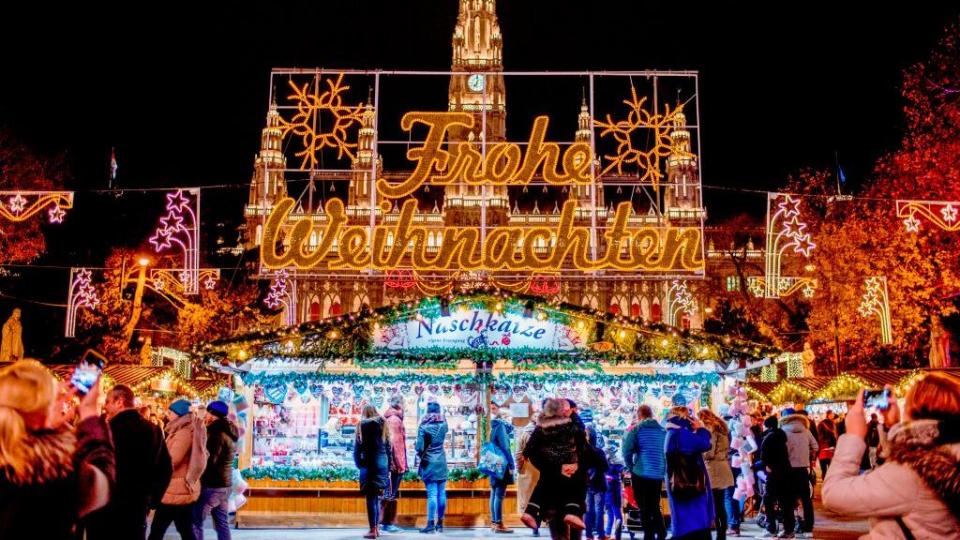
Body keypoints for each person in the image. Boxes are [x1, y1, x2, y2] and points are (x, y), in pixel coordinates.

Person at [822, 374, 960, 538]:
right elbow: (915, 451)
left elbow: (834, 494)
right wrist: (893, 426)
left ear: (912, 409)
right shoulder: (945, 455)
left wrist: (853, 435)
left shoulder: (911, 473)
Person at [0, 360, 114, 539]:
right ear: (42, 412)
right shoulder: (53, 472)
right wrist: (89, 411)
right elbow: (103, 479)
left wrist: (43, 427)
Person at [87, 384, 172, 540]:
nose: (105, 406)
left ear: (120, 402)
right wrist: (151, 501)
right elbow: (165, 470)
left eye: (108, 402)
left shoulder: (106, 431)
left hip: (105, 510)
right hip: (136, 508)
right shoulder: (153, 430)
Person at [521, 397, 590, 532]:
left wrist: (550, 468)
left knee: (544, 484)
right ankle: (572, 512)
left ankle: (531, 511)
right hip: (567, 473)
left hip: (549, 479)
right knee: (575, 484)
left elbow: (528, 451)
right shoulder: (571, 425)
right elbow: (584, 448)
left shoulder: (540, 426)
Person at [149, 399, 208, 540]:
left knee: (158, 529)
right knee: (184, 529)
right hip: (179, 489)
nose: (167, 414)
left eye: (170, 412)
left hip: (175, 489)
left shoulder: (184, 433)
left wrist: (155, 462)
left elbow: (172, 460)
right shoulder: (182, 429)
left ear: (179, 414)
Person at [664, 405, 713, 540]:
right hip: (689, 484)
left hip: (680, 483)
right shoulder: (681, 434)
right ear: (685, 417)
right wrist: (701, 428)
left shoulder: (672, 433)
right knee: (693, 521)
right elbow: (705, 444)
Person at [193, 400, 238, 540]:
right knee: (221, 522)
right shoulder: (229, 430)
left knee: (195, 521)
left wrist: (196, 476)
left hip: (213, 484)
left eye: (207, 412)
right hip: (225, 484)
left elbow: (209, 460)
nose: (205, 415)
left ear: (213, 414)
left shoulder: (216, 432)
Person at [621, 404, 667, 540]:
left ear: (639, 415)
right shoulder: (662, 430)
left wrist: (631, 466)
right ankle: (662, 532)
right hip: (658, 473)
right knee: (654, 504)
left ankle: (649, 535)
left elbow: (626, 450)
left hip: (641, 472)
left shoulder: (637, 429)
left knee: (644, 506)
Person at [779, 408, 818, 538]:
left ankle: (789, 529)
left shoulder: (782, 432)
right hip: (802, 470)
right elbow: (815, 446)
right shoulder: (806, 431)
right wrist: (808, 455)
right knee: (806, 500)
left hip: (787, 470)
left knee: (787, 501)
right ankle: (808, 529)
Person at [356, 404, 390, 539]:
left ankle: (373, 530)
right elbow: (389, 448)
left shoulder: (362, 426)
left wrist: (360, 465)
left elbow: (357, 449)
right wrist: (388, 466)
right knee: (376, 497)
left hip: (369, 464)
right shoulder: (384, 425)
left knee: (371, 498)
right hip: (382, 464)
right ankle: (376, 529)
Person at [699, 408, 734, 540]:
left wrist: (700, 453)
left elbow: (709, 452)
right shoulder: (722, 428)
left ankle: (719, 535)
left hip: (713, 469)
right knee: (720, 504)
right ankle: (722, 534)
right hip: (723, 466)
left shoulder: (711, 429)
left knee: (715, 505)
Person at [758, 415, 794, 539]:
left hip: (773, 473)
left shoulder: (768, 437)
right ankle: (788, 530)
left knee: (768, 500)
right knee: (785, 501)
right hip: (785, 471)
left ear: (766, 425)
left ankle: (771, 528)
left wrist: (766, 465)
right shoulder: (782, 436)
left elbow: (764, 456)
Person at [416, 401, 448, 534]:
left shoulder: (423, 427)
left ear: (427, 411)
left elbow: (419, 447)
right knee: (442, 493)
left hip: (429, 462)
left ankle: (430, 524)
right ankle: (440, 523)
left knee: (432, 494)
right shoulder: (444, 424)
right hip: (441, 461)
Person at [381, 395, 407, 533]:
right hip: (394, 465)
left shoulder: (390, 418)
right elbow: (394, 444)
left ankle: (385, 522)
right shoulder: (395, 420)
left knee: (388, 493)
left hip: (391, 463)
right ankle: (387, 523)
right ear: (400, 405)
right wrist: (399, 464)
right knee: (390, 494)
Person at [490, 402, 515, 533]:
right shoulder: (501, 426)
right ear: (505, 417)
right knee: (499, 494)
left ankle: (494, 523)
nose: (511, 420)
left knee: (494, 493)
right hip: (501, 463)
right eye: (510, 417)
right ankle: (498, 524)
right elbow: (505, 447)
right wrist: (511, 464)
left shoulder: (494, 426)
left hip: (493, 461)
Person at [516, 413, 541, 536]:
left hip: (529, 469)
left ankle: (535, 525)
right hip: (540, 469)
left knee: (529, 498)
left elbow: (519, 452)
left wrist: (519, 468)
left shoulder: (524, 432)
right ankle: (536, 525)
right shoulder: (546, 432)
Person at [584, 425, 609, 540]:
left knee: (588, 510)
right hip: (599, 483)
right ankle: (601, 534)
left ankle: (589, 534)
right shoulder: (599, 451)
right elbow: (605, 467)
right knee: (599, 510)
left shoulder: (582, 452)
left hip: (587, 484)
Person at [602, 440, 624, 540]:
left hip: (609, 488)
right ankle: (613, 534)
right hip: (616, 488)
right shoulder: (619, 464)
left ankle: (609, 533)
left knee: (612, 512)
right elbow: (622, 473)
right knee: (615, 513)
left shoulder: (606, 465)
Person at [817, 412, 838, 479]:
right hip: (826, 446)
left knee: (826, 465)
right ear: (828, 415)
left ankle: (826, 478)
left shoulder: (830, 424)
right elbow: (820, 435)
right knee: (828, 464)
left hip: (825, 446)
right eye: (832, 416)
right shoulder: (825, 424)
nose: (835, 420)